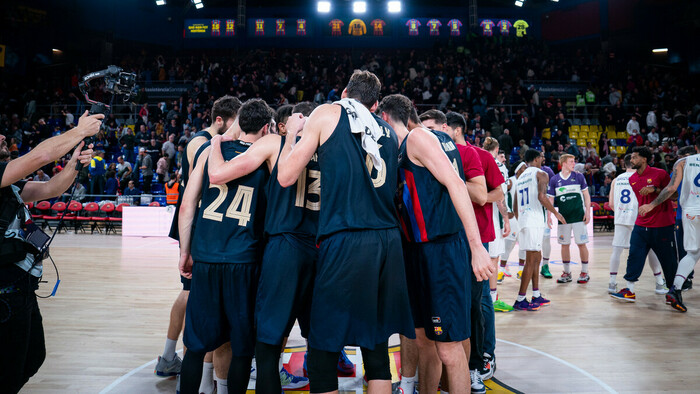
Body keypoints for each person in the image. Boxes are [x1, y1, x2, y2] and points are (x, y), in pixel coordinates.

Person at [276, 70, 414, 393]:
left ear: (344, 92)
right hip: (386, 241)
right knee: (376, 344)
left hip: (347, 238)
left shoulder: (327, 112)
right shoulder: (387, 132)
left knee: (323, 347)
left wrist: (291, 136)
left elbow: (285, 176)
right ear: (376, 104)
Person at [379, 96, 493, 394]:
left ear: (387, 117)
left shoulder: (418, 138)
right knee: (424, 339)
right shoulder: (418, 144)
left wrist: (476, 246)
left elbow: (456, 184)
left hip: (442, 249)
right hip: (418, 251)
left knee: (448, 349)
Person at [205, 102, 319, 391]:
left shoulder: (275, 142)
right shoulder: (330, 147)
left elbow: (218, 174)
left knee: (267, 345)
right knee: (318, 344)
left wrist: (217, 140)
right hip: (321, 249)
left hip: (285, 246)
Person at [0, 111, 103, 393]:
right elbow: (39, 158)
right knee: (9, 369)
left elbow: (50, 188)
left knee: (34, 356)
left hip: (19, 285)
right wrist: (79, 132)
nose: (3, 137)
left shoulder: (9, 184)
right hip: (4, 289)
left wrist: (74, 163)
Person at [177, 99, 275, 394]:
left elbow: (186, 206)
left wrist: (186, 251)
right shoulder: (266, 159)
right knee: (242, 348)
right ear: (267, 128)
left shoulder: (209, 152)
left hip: (206, 258)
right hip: (244, 260)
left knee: (195, 346)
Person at [156, 95, 241, 394]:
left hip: (202, 222)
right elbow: (202, 187)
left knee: (195, 297)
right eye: (234, 122)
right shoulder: (200, 142)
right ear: (220, 120)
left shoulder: (210, 141)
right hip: (194, 223)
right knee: (193, 295)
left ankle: (181, 362)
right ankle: (174, 359)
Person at [637, 137, 700, 312]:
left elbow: (671, 189)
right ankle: (676, 288)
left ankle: (675, 289)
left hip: (689, 212)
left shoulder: (683, 162)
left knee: (693, 253)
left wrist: (651, 204)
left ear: (695, 147)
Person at [610, 147, 678, 306]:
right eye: (631, 158)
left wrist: (655, 189)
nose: (631, 160)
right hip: (641, 224)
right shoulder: (632, 179)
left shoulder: (660, 173)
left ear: (644, 159)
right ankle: (629, 290)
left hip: (662, 224)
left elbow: (674, 195)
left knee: (668, 260)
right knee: (634, 256)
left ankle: (673, 291)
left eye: (634, 158)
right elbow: (641, 202)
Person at [514, 149, 565, 311]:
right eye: (542, 157)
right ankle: (520, 299)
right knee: (531, 259)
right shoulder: (541, 174)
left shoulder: (520, 177)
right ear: (536, 159)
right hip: (534, 219)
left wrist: (522, 219)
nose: (543, 159)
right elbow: (542, 197)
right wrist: (556, 213)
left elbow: (515, 205)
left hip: (524, 219)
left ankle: (536, 294)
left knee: (537, 257)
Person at [547, 154, 592, 284]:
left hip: (579, 217)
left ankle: (585, 272)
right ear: (564, 164)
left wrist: (587, 212)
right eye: (571, 162)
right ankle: (567, 272)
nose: (574, 164)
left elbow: (586, 195)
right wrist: (550, 215)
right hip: (563, 219)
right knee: (564, 245)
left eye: (574, 161)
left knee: (581, 244)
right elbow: (550, 199)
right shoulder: (555, 179)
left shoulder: (579, 176)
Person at [482, 137, 512, 314]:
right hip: (491, 218)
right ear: (497, 149)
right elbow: (500, 196)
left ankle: (483, 297)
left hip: (476, 217)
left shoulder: (477, 160)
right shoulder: (497, 166)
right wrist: (506, 219)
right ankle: (492, 299)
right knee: (493, 259)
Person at [498, 162, 527, 283]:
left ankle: (521, 271)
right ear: (518, 170)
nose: (526, 169)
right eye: (524, 167)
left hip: (525, 216)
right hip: (513, 217)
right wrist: (507, 211)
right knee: (508, 245)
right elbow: (501, 193)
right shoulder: (510, 181)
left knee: (524, 244)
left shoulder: (527, 180)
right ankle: (501, 270)